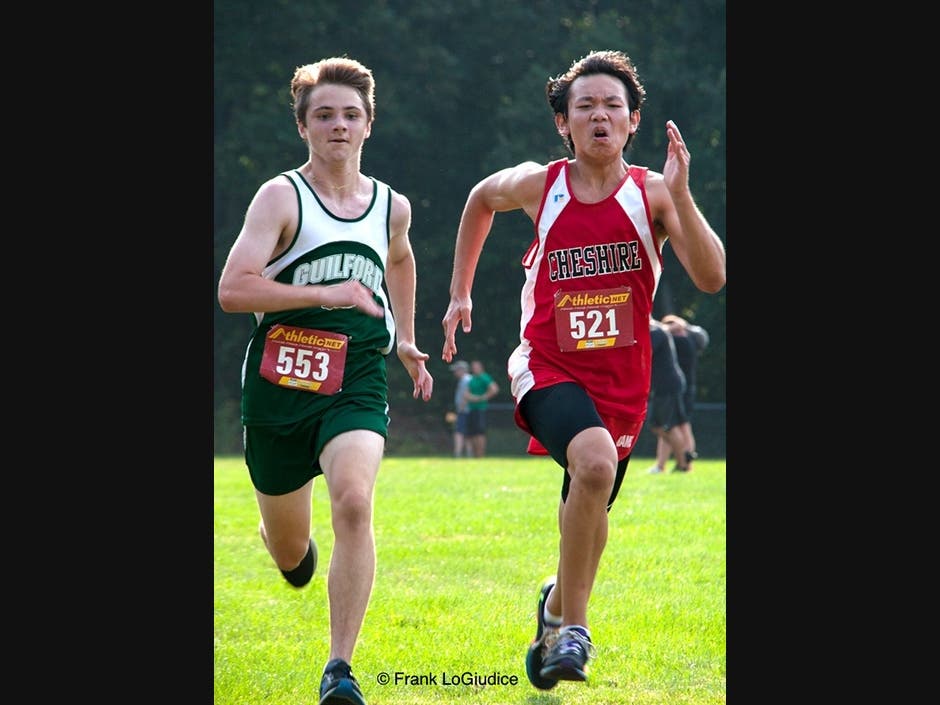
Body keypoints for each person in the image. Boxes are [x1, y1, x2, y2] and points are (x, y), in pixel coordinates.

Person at [440, 49, 725, 690]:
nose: (600, 116)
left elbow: (712, 277)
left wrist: (682, 193)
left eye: (613, 106)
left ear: (633, 121)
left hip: (623, 383)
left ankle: (554, 612)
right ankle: (576, 630)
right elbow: (480, 199)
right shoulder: (541, 186)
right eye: (585, 106)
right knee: (593, 465)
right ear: (563, 123)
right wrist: (460, 291)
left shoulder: (654, 194)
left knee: (591, 510)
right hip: (545, 363)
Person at [216, 56, 434, 705]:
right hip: (280, 383)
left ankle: (340, 668)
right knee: (292, 556)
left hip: (356, 374)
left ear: (369, 124)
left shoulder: (392, 206)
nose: (339, 125)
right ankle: (287, 543)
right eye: (324, 115)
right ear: (303, 126)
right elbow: (233, 289)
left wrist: (405, 337)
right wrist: (326, 290)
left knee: (355, 501)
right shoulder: (281, 197)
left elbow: (400, 259)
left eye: (350, 114)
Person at [652, 314, 709, 472]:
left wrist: (667, 328)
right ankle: (676, 462)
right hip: (680, 386)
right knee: (676, 426)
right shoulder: (687, 340)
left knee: (674, 426)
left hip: (676, 387)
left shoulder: (681, 341)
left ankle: (683, 462)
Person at [645, 318, 692, 473]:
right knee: (658, 426)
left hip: (667, 385)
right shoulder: (657, 331)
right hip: (663, 386)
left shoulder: (657, 332)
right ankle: (683, 460)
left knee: (669, 426)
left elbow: (644, 351)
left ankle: (683, 464)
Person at [465, 359, 500, 457]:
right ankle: (475, 455)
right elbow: (466, 394)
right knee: (472, 433)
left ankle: (480, 455)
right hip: (471, 408)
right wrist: (472, 397)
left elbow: (494, 389)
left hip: (481, 408)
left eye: (476, 367)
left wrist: (483, 397)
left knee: (480, 432)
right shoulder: (472, 379)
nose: (474, 369)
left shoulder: (484, 377)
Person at [449, 359, 472, 457]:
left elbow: (465, 395)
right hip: (466, 410)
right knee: (467, 433)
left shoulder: (465, 380)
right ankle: (469, 453)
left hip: (464, 410)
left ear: (462, 370)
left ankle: (458, 453)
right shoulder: (467, 379)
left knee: (459, 432)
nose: (455, 372)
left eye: (456, 370)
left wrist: (461, 408)